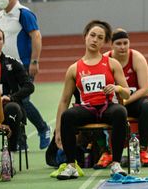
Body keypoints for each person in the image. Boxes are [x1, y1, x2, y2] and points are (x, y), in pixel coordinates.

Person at [54, 20, 130, 180]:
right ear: (85, 37)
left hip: (107, 107)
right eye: (92, 35)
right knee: (67, 116)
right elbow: (64, 100)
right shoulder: (74, 68)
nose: (95, 40)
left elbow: (127, 93)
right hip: (87, 109)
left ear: (104, 42)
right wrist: (58, 129)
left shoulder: (112, 63)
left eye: (100, 37)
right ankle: (71, 165)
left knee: (120, 112)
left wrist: (117, 88)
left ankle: (116, 164)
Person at [0, 0, 51, 149]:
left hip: (23, 66)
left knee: (23, 100)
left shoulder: (23, 13)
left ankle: (43, 128)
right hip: (6, 68)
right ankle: (21, 140)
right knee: (12, 104)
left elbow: (36, 37)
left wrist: (34, 61)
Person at [104, 29, 148, 168]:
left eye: (125, 43)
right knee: (99, 109)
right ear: (111, 45)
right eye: (118, 43)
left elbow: (145, 89)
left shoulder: (137, 58)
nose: (123, 47)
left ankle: (143, 150)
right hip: (114, 101)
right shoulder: (105, 60)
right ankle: (107, 152)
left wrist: (125, 101)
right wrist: (118, 102)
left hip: (135, 99)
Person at [0, 27, 34, 152]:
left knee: (12, 108)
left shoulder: (13, 64)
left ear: (3, 42)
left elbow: (29, 86)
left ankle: (10, 154)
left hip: (7, 107)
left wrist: (11, 97)